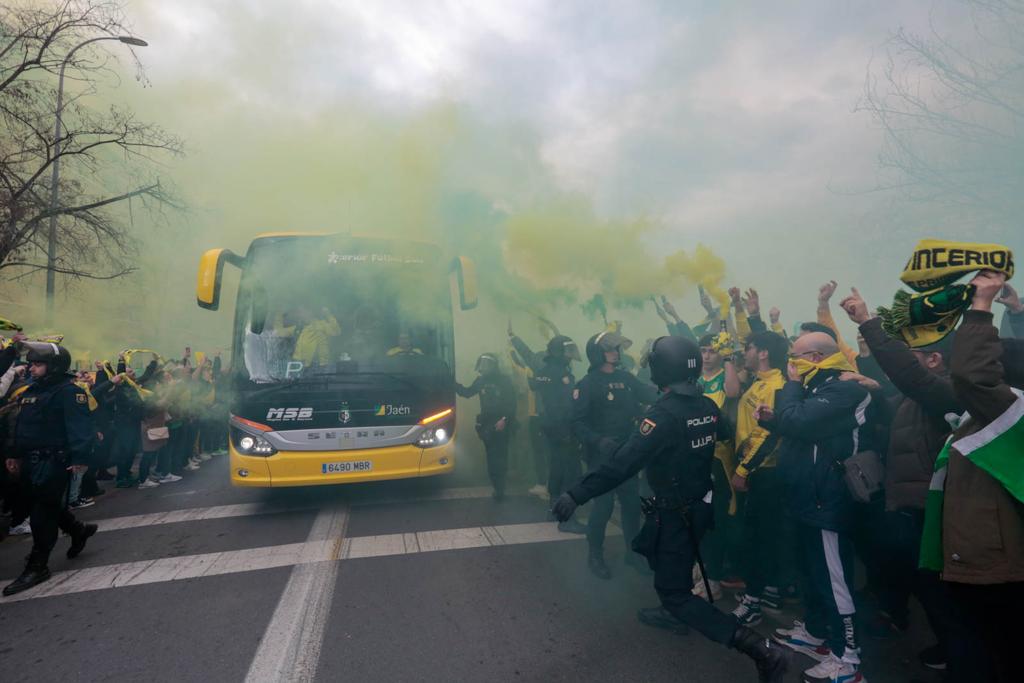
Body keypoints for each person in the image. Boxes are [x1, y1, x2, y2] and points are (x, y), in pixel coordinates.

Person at [552, 335, 789, 683]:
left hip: (675, 512)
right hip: (699, 506)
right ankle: (672, 609)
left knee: (674, 592)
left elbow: (621, 465)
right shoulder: (706, 405)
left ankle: (760, 649)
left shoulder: (662, 415)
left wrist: (576, 494)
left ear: (662, 368)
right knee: (656, 555)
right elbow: (724, 433)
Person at [840, 286, 957, 670]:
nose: (905, 364)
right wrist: (874, 392)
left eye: (913, 356)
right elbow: (895, 406)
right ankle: (944, 646)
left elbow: (912, 380)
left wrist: (868, 323)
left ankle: (960, 659)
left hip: (935, 509)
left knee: (942, 591)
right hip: (911, 507)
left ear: (934, 360)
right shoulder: (912, 398)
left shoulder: (949, 391)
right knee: (924, 584)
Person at [922, 270, 1024, 682]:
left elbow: (972, 376)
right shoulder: (994, 415)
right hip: (989, 561)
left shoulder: (1011, 414)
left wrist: (981, 308)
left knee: (1001, 653)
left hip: (1000, 568)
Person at [758, 332, 870, 682]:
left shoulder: (845, 389)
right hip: (806, 498)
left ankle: (847, 658)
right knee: (811, 573)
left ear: (816, 357)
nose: (790, 364)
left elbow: (798, 420)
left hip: (827, 501)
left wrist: (790, 389)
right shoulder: (818, 388)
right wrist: (773, 419)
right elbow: (799, 426)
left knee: (834, 581)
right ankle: (817, 633)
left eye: (795, 357)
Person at [3, 342, 98, 596]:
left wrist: (80, 457)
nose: (32, 369)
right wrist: (14, 454)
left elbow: (80, 427)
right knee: (41, 505)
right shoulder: (31, 390)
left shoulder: (69, 392)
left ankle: (38, 566)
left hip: (54, 460)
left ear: (54, 366)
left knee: (41, 514)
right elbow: (20, 426)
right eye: (32, 364)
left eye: (38, 364)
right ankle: (78, 530)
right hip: (30, 461)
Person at [571, 331, 658, 579]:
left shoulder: (626, 378)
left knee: (631, 505)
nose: (615, 352)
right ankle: (595, 555)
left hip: (628, 452)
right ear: (597, 353)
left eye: (616, 348)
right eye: (610, 349)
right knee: (603, 506)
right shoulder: (586, 384)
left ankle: (633, 554)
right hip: (601, 457)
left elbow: (650, 395)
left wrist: (675, 388)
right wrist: (598, 441)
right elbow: (577, 423)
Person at [729, 330, 789, 627]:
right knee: (767, 535)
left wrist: (743, 469)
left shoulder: (776, 386)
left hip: (765, 471)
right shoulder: (760, 381)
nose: (745, 352)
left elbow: (768, 435)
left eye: (749, 347)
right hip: (759, 470)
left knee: (757, 538)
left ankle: (752, 602)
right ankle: (771, 591)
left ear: (763, 352)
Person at [509, 327, 586, 534]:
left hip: (550, 426)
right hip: (563, 427)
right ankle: (568, 519)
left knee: (557, 470)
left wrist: (514, 338)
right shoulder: (560, 373)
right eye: (567, 351)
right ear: (558, 352)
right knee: (570, 473)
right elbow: (564, 405)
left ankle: (554, 510)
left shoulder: (545, 371)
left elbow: (531, 366)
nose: (570, 355)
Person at [693, 331, 741, 601]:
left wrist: (729, 357)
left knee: (718, 517)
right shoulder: (694, 379)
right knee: (698, 514)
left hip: (720, 458)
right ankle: (701, 567)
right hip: (696, 456)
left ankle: (714, 578)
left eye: (713, 350)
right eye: (703, 350)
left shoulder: (726, 376)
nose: (708, 356)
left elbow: (733, 392)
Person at [456, 354, 516, 500]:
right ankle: (496, 487)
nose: (483, 367)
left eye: (486, 364)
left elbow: (512, 403)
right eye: (481, 364)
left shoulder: (504, 380)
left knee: (500, 456)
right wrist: (452, 383)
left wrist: (504, 419)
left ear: (493, 365)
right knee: (491, 457)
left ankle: (500, 489)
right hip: (487, 424)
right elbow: (467, 393)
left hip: (502, 422)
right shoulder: (480, 380)